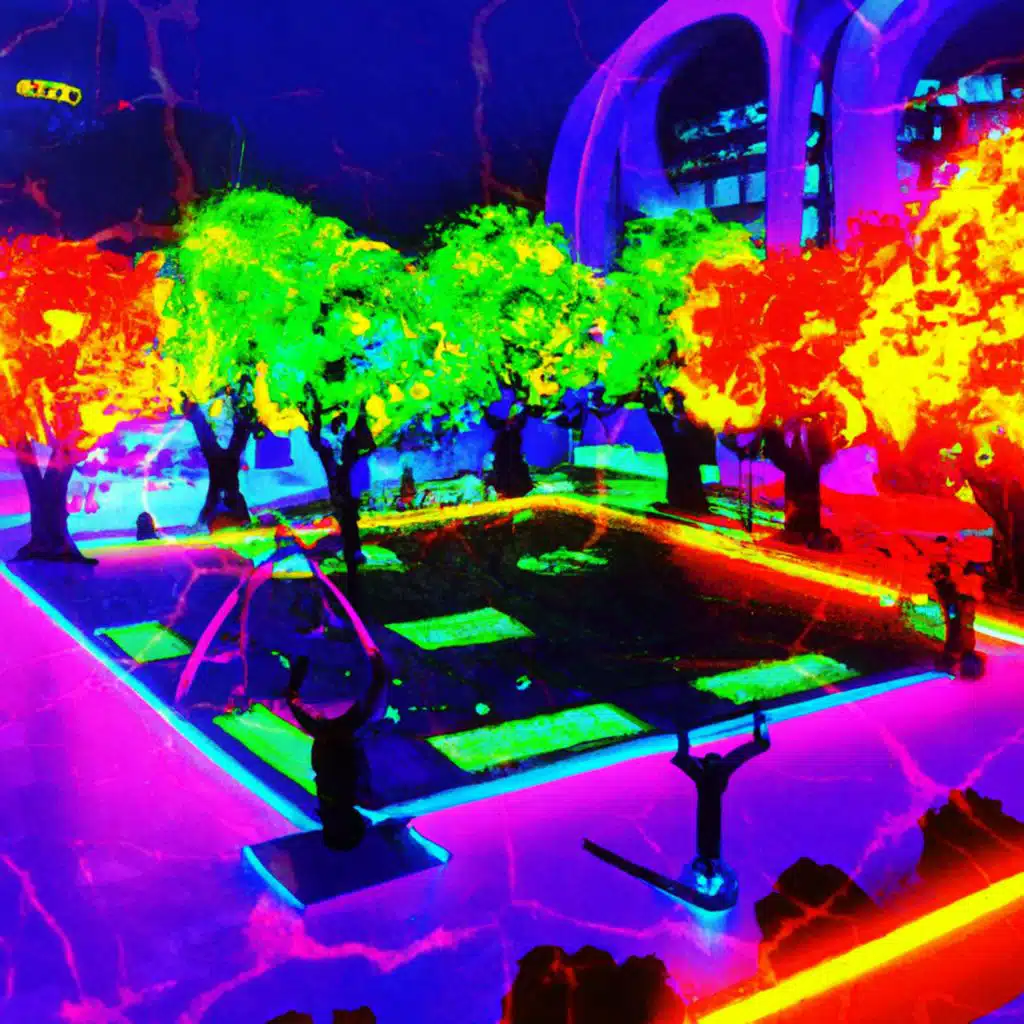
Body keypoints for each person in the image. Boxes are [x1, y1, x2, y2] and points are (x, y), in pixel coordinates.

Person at [286, 649, 390, 850]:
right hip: (334, 738)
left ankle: (302, 657)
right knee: (376, 688)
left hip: (336, 738)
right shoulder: (337, 801)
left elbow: (340, 765)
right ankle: (302, 658)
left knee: (377, 685)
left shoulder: (341, 798)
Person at [672, 709, 770, 878]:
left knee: (761, 745)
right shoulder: (716, 774)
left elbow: (759, 746)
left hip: (708, 849)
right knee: (761, 745)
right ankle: (682, 731)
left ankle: (682, 731)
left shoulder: (714, 775)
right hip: (709, 849)